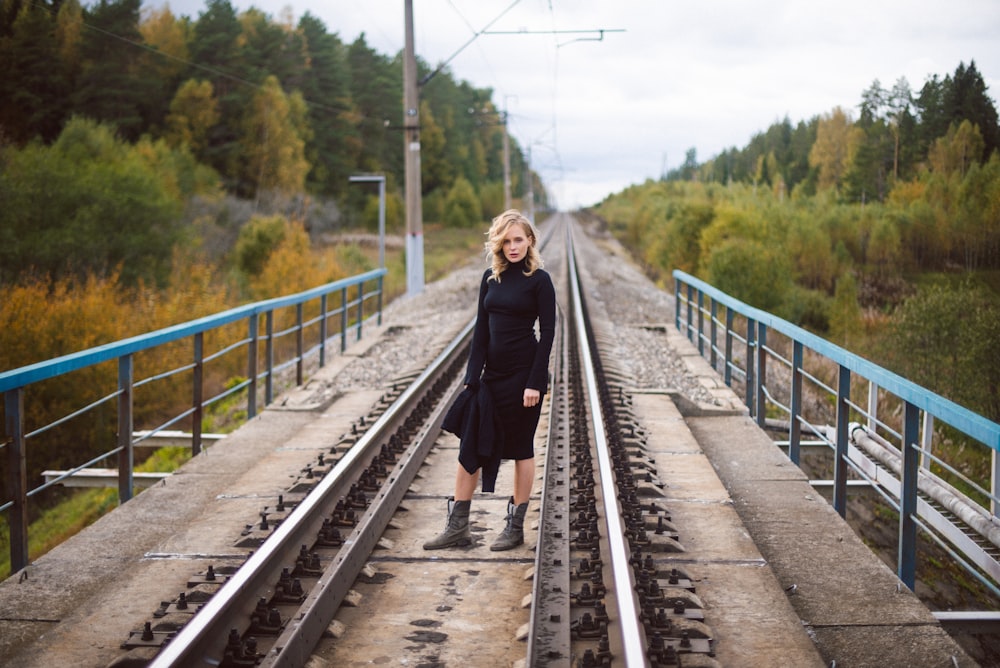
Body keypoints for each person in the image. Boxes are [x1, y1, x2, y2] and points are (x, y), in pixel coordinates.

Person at [424, 209, 556, 551]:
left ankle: (515, 527)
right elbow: (481, 332)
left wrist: (535, 382)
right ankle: (457, 527)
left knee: (521, 448)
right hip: (491, 378)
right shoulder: (490, 278)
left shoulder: (540, 281)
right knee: (471, 444)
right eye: (507, 240)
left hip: (524, 379)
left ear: (530, 241)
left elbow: (549, 333)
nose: (513, 247)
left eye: (519, 239)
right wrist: (471, 378)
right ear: (498, 243)